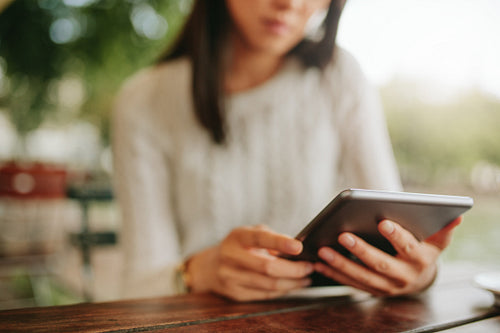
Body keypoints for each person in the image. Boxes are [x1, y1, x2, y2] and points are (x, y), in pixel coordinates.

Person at [112, 0, 460, 301]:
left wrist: (417, 275)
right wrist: (196, 273)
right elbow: (139, 287)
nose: (291, 3)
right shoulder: (143, 101)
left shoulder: (339, 75)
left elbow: (391, 232)